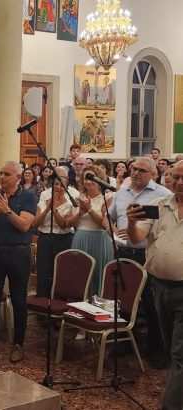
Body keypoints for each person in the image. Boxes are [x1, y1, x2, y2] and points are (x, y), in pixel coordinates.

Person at [126, 160, 183, 410]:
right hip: (159, 286)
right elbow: (137, 237)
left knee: (179, 353)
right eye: (175, 177)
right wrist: (131, 222)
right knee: (171, 348)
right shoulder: (159, 205)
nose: (179, 182)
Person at [107, 156, 171, 368]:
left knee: (151, 303)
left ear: (153, 174)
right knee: (124, 299)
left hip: (146, 254)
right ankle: (125, 340)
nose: (135, 173)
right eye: (133, 169)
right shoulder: (122, 192)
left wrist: (141, 233)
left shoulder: (163, 195)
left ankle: (156, 348)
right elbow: (109, 217)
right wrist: (112, 229)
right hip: (123, 252)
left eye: (141, 170)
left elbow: (165, 227)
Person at [0, 161, 36, 363]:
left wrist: (7, 210)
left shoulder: (28, 196)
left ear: (18, 178)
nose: (2, 177)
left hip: (18, 254)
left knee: (19, 300)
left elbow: (25, 226)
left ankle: (18, 344)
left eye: (7, 174)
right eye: (1, 173)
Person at [66, 166, 114, 299]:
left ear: (99, 179)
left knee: (98, 274)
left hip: (99, 239)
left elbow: (104, 224)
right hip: (80, 238)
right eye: (85, 178)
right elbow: (68, 223)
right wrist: (79, 214)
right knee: (80, 273)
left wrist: (90, 209)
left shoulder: (107, 197)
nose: (87, 181)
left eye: (91, 178)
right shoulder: (78, 197)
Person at [32, 170, 74, 298]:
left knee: (60, 271)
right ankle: (42, 299)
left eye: (62, 185)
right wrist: (47, 209)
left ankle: (58, 301)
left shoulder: (69, 204)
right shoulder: (43, 200)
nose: (58, 187)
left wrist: (54, 209)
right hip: (45, 237)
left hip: (63, 239)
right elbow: (35, 223)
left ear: (66, 188)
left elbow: (63, 224)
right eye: (56, 184)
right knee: (43, 271)